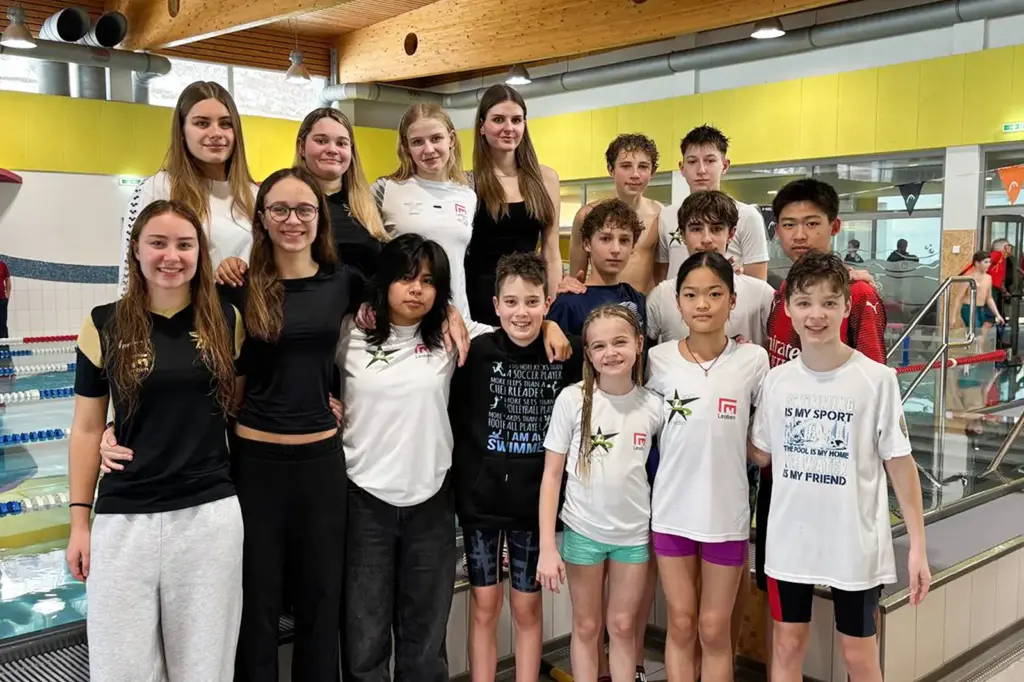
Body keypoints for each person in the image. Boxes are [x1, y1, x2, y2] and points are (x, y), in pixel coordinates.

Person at [67, 200, 244, 681]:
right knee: (119, 668)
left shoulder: (227, 320)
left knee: (205, 668)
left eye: (184, 245)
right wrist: (79, 522)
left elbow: (238, 405)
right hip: (125, 516)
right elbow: (87, 428)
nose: (172, 256)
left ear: (199, 252)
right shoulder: (104, 323)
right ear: (136, 250)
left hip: (208, 514)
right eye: (158, 243)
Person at [749, 251, 930, 682]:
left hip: (854, 541)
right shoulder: (775, 381)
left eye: (829, 303)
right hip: (790, 539)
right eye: (805, 302)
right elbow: (762, 453)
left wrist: (918, 547)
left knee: (859, 654)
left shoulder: (876, 379)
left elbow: (901, 466)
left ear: (847, 307)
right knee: (787, 645)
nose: (817, 315)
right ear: (788, 309)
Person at [337, 233, 489, 682]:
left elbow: (521, 331)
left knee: (424, 641)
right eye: (405, 278)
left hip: (431, 503)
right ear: (384, 281)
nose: (416, 289)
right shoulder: (348, 332)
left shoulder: (450, 337)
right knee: (365, 640)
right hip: (364, 501)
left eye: (428, 280)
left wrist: (554, 327)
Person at [757, 177, 888, 672]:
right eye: (788, 224)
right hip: (785, 484)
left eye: (812, 223)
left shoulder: (858, 294)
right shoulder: (780, 295)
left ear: (834, 227)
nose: (800, 235)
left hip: (841, 491)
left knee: (856, 642)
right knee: (786, 632)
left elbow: (873, 394)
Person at [452, 252, 582, 682]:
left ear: (547, 304)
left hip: (533, 506)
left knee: (527, 607)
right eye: (511, 302)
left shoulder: (563, 353)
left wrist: (553, 327)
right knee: (484, 606)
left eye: (531, 302)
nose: (520, 312)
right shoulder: (477, 354)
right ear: (495, 305)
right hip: (481, 505)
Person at [646, 251, 769, 682]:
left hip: (726, 516)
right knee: (681, 624)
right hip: (671, 512)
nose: (703, 304)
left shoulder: (754, 361)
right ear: (677, 301)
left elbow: (763, 440)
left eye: (715, 294)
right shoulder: (657, 359)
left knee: (715, 629)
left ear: (732, 300)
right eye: (691, 294)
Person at [537, 304, 663, 682]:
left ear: (639, 343)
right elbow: (551, 476)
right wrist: (547, 546)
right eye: (599, 346)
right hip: (583, 531)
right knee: (587, 626)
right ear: (588, 354)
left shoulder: (653, 406)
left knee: (623, 626)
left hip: (633, 535)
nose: (611, 353)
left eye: (620, 342)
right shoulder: (572, 400)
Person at [217, 108, 387, 285]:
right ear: (301, 146)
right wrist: (235, 264)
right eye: (321, 141)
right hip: (302, 298)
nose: (332, 149)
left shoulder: (367, 204)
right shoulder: (275, 196)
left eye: (341, 143)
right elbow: (256, 249)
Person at [117, 81, 257, 296]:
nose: (216, 133)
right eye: (202, 123)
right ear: (182, 131)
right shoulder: (159, 187)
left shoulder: (254, 195)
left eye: (225, 124)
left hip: (242, 311)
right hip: (181, 313)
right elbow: (130, 272)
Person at [466, 85, 563, 325]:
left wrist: (552, 308)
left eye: (516, 120)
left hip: (528, 296)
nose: (509, 128)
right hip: (480, 297)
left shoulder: (546, 179)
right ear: (482, 126)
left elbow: (551, 252)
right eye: (499, 119)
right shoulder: (467, 182)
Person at [646, 190, 775, 345]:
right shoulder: (661, 296)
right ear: (683, 235)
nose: (706, 239)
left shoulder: (761, 294)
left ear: (731, 234)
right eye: (696, 229)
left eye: (716, 229)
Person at [656, 125, 769, 283]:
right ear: (682, 168)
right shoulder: (667, 216)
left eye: (710, 161)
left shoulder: (748, 216)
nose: (701, 170)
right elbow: (661, 276)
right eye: (692, 161)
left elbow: (758, 285)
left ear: (725, 165)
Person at [567, 134, 663, 295]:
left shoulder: (660, 214)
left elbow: (662, 275)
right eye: (626, 166)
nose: (635, 174)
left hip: (643, 304)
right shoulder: (587, 215)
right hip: (600, 304)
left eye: (643, 166)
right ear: (611, 169)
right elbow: (576, 277)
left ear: (652, 172)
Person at [548, 199, 648, 337]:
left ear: (633, 247)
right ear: (587, 244)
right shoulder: (568, 303)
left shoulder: (636, 298)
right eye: (606, 239)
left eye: (624, 240)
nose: (616, 249)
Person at [954, 250, 1004, 337]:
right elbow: (959, 297)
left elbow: (989, 298)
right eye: (986, 262)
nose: (989, 264)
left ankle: (971, 343)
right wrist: (952, 317)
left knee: (979, 333)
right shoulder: (969, 277)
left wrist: (997, 315)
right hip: (969, 308)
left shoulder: (988, 278)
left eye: (989, 262)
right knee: (975, 333)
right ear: (977, 263)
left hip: (981, 309)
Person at [0, 256, 9, 338]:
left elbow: (7, 280)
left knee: (2, 323)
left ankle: (4, 344)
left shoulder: (2, 265)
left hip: (2, 299)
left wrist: (7, 295)